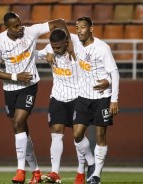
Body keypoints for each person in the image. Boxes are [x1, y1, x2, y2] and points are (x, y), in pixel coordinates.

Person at [0, 12, 75, 184]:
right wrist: (15, 76)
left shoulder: (31, 31)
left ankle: (20, 171)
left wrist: (70, 42)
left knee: (18, 122)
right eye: (15, 26)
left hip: (29, 86)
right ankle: (35, 170)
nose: (19, 28)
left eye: (20, 24)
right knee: (21, 130)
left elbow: (59, 21)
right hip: (10, 87)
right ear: (7, 28)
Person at [37, 29, 109, 184]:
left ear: (66, 42)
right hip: (57, 96)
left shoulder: (79, 47)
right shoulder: (50, 49)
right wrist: (43, 55)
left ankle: (84, 168)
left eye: (58, 47)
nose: (55, 50)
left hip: (78, 96)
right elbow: (33, 54)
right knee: (56, 131)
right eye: (53, 47)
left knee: (78, 136)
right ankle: (55, 172)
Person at [71, 17, 120, 184]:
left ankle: (96, 175)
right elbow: (59, 32)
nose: (79, 30)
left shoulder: (102, 48)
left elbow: (114, 73)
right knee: (77, 134)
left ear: (91, 28)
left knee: (100, 135)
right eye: (77, 27)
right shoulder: (76, 44)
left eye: (83, 27)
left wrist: (114, 100)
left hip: (102, 97)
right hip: (84, 97)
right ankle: (91, 162)